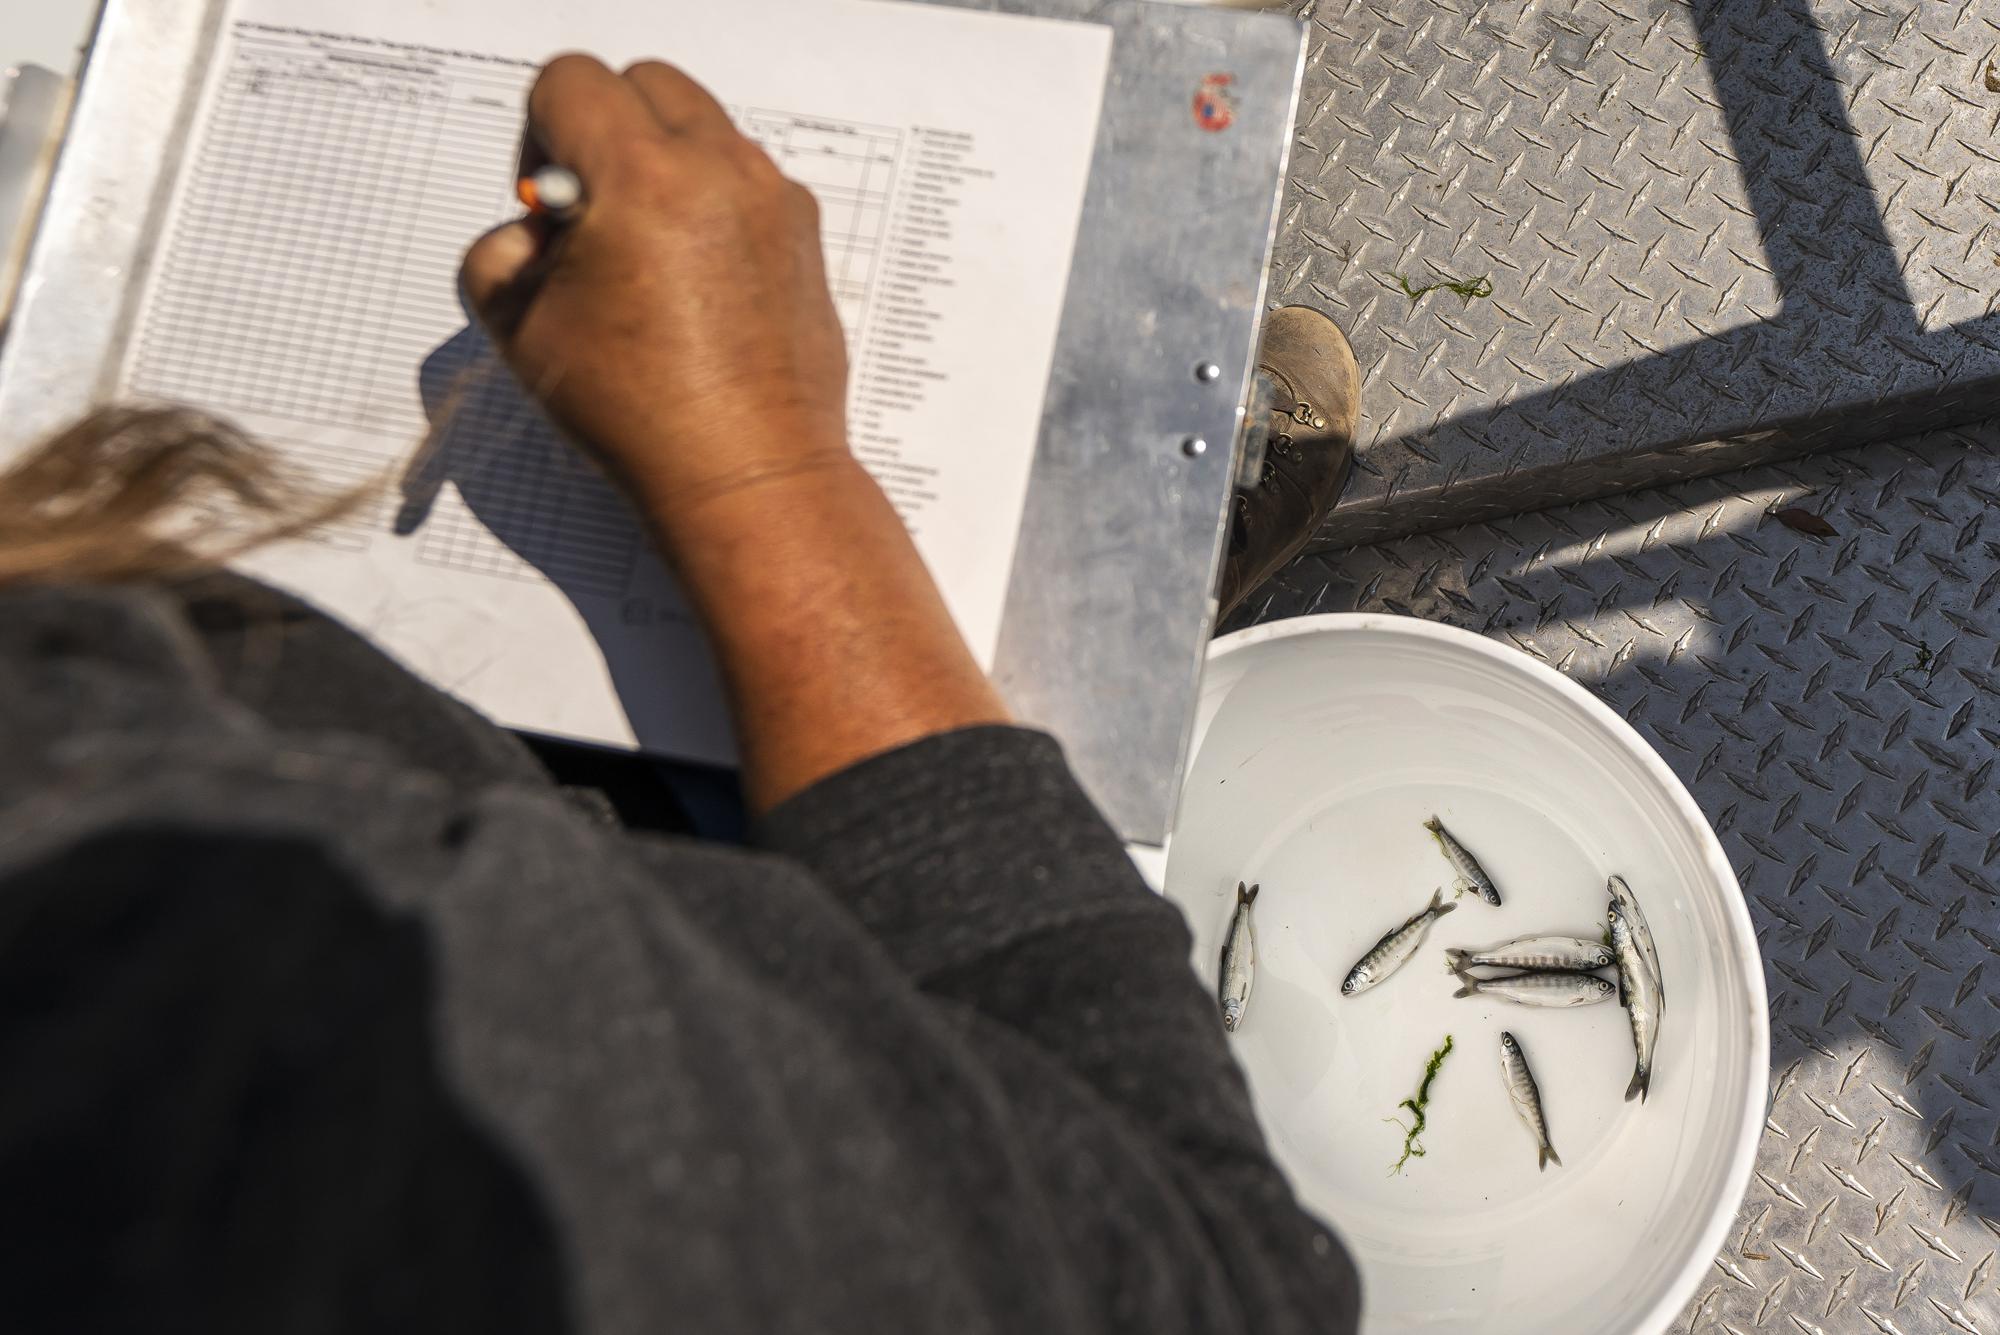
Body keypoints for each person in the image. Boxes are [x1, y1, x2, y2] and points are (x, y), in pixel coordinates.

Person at [0, 55, 1361, 1335]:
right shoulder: (210, 1002)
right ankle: (1104, 615)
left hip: (430, 750)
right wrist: (765, 466)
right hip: (700, 885)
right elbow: (1206, 1284)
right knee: (1039, 644)